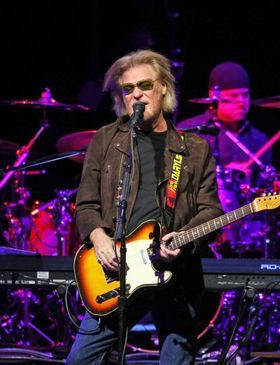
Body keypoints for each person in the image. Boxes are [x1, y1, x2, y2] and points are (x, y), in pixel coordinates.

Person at [67, 49, 223, 364]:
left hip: (176, 274)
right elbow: (85, 204)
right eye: (128, 89)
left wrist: (183, 240)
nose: (137, 93)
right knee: (79, 360)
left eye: (145, 85)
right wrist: (98, 238)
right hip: (118, 272)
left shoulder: (192, 149)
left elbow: (211, 211)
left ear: (163, 87)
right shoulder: (106, 140)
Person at [178, 61, 272, 250]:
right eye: (233, 96)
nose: (241, 102)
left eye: (245, 95)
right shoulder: (189, 132)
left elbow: (263, 190)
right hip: (197, 225)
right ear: (214, 96)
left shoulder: (259, 139)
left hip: (246, 229)